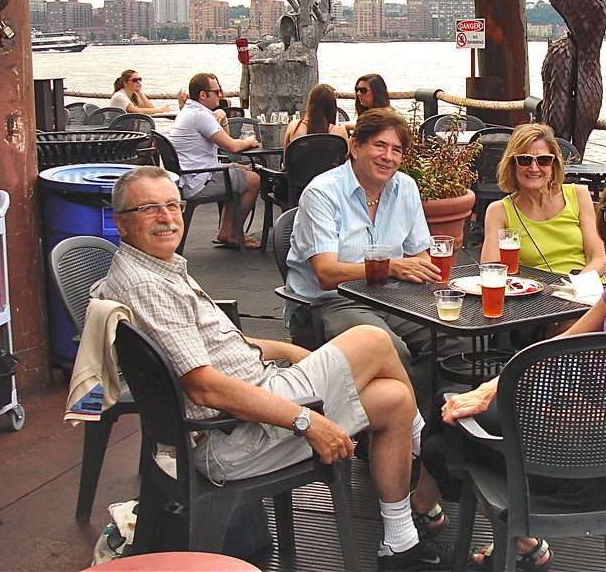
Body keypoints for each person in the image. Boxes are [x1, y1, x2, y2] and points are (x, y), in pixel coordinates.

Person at [92, 166, 453, 571]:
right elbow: (205, 389)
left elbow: (210, 350)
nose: (167, 217)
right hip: (230, 437)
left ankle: (399, 542)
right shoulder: (148, 285)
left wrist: (287, 349)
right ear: (121, 223)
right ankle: (430, 444)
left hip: (251, 406)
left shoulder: (150, 269)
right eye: (150, 208)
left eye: (173, 205)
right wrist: (307, 423)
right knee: (372, 340)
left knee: (394, 397)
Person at [423, 159, 606, 570]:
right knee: (453, 404)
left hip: (604, 463)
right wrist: (492, 388)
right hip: (575, 433)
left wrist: (602, 417)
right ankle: (512, 535)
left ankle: (444, 515)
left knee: (443, 440)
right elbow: (567, 339)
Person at [284, 109, 470, 412]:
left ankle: (422, 423)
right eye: (379, 146)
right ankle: (403, 427)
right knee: (391, 351)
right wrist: (393, 266)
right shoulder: (322, 192)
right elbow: (326, 273)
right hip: (329, 302)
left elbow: (419, 253)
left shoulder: (405, 188)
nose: (388, 157)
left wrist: (420, 270)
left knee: (457, 339)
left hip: (389, 297)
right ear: (356, 147)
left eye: (396, 150)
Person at [480, 123, 605, 278]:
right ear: (512, 164)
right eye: (525, 160)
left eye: (543, 160)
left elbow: (598, 259)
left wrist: (576, 287)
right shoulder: (499, 211)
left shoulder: (578, 195)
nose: (534, 168)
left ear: (554, 165)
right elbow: (491, 270)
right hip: (536, 295)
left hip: (584, 289)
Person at [169, 73, 261, 249]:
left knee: (241, 169)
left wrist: (224, 118)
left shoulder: (189, 111)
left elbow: (223, 141)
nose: (220, 95)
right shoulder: (200, 116)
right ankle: (234, 233)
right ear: (203, 95)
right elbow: (232, 147)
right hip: (198, 180)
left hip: (189, 175)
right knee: (254, 180)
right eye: (216, 91)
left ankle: (226, 231)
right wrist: (249, 141)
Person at [284, 83, 348, 148]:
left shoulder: (294, 127)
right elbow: (345, 155)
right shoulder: (339, 132)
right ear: (332, 106)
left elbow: (286, 155)